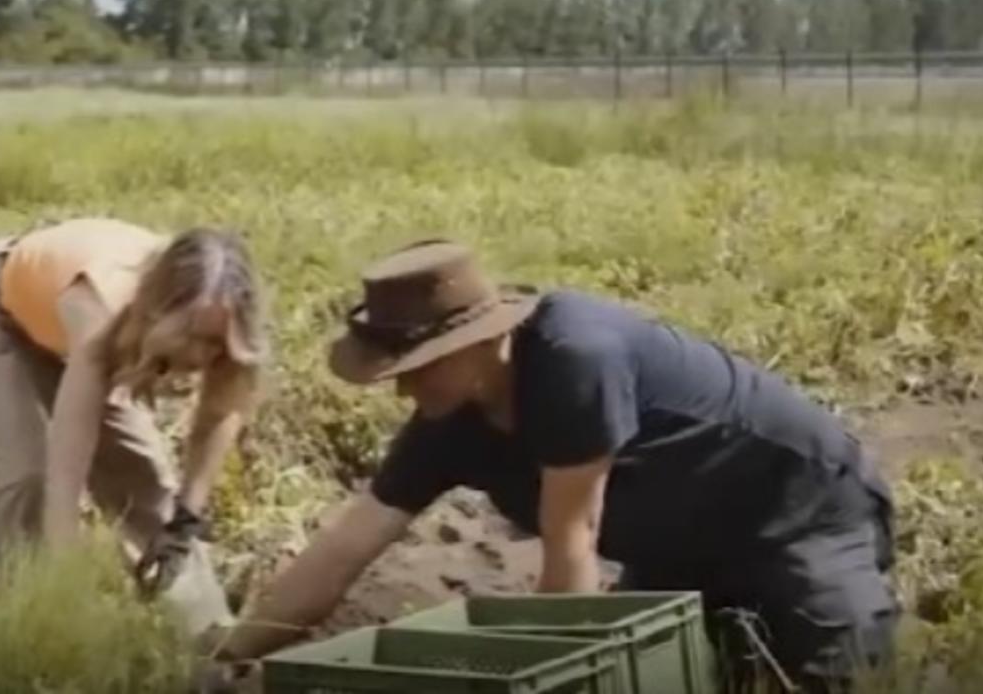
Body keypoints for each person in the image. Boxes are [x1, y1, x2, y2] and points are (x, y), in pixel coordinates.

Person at [212, 239, 900, 691]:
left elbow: (570, 553)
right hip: (675, 542)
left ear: (480, 342)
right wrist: (233, 656)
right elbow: (345, 548)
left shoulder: (574, 358)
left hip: (796, 511)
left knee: (834, 675)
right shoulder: (449, 420)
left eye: (416, 367)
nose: (404, 388)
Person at [0, 216, 265, 639]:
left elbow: (219, 413)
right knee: (26, 475)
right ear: (159, 309)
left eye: (215, 344)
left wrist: (187, 516)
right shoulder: (103, 307)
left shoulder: (228, 321)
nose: (201, 354)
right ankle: (7, 633)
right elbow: (69, 457)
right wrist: (63, 560)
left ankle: (212, 645)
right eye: (194, 335)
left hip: (73, 327)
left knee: (147, 482)